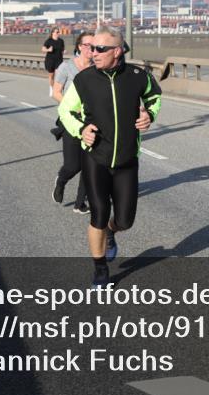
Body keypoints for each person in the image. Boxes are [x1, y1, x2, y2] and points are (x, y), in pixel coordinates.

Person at [58, 26, 161, 287]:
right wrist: (81, 129)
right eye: (91, 48)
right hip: (96, 159)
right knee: (99, 215)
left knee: (125, 220)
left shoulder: (138, 76)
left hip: (127, 161)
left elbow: (154, 97)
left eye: (100, 49)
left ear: (117, 51)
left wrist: (149, 114)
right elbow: (66, 110)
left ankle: (112, 234)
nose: (93, 53)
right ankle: (100, 269)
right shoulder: (84, 80)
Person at [52, 31, 95, 214]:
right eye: (87, 45)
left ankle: (80, 202)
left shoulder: (98, 68)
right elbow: (56, 92)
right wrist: (72, 108)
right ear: (79, 46)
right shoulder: (66, 67)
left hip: (91, 122)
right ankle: (61, 181)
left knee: (90, 164)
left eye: (94, 46)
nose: (90, 49)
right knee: (73, 165)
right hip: (71, 120)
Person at [42, 27, 66, 98]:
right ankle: (51, 88)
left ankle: (57, 90)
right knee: (51, 76)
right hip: (50, 60)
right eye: (56, 32)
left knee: (58, 75)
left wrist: (64, 51)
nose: (58, 33)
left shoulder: (61, 41)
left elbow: (62, 49)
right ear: (52, 33)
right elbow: (43, 49)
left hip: (59, 60)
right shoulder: (49, 41)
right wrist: (48, 50)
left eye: (58, 32)